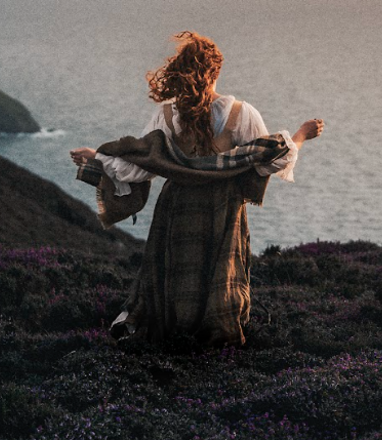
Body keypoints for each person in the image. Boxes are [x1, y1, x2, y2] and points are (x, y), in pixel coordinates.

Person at [69, 31, 324, 347]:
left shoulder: (166, 116)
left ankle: (169, 339)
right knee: (221, 277)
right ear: (216, 72)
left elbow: (138, 165)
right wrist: (301, 135)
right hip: (224, 208)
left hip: (178, 206)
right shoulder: (241, 114)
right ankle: (216, 347)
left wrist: (97, 158)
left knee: (175, 275)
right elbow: (268, 156)